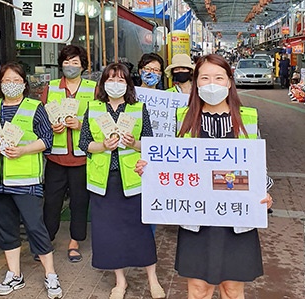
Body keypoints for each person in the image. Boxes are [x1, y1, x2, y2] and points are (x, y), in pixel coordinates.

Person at [135, 54, 273, 299]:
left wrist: (264, 193)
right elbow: (169, 160)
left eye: (219, 78)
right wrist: (150, 169)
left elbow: (257, 165)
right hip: (197, 217)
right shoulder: (182, 118)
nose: (212, 84)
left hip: (237, 217)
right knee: (199, 290)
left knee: (232, 290)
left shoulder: (248, 118)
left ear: (230, 82)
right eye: (205, 77)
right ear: (196, 82)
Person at [0, 62, 62, 299]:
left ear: (24, 83)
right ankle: (14, 274)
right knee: (6, 229)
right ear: (0, 84)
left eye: (15, 80)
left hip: (25, 182)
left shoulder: (34, 107)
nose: (11, 85)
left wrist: (23, 150)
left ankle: (50, 274)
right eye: (6, 80)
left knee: (35, 227)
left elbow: (47, 139)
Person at [79, 63, 165, 299]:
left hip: (133, 178)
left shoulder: (138, 108)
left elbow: (149, 142)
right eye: (111, 79)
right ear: (103, 83)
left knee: (141, 230)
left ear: (128, 83)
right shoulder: (93, 108)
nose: (115, 84)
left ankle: (152, 278)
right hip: (102, 181)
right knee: (109, 232)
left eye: (120, 80)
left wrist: (133, 144)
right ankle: (120, 281)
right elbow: (84, 143)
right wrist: (103, 146)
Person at [40, 45, 96, 263]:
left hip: (83, 157)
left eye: (75, 62)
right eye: (67, 62)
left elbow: (101, 119)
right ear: (60, 64)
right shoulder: (51, 87)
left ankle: (75, 242)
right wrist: (51, 126)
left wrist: (82, 123)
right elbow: (41, 119)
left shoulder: (93, 88)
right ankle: (47, 240)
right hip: (56, 156)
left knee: (80, 202)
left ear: (83, 66)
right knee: (52, 201)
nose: (70, 66)